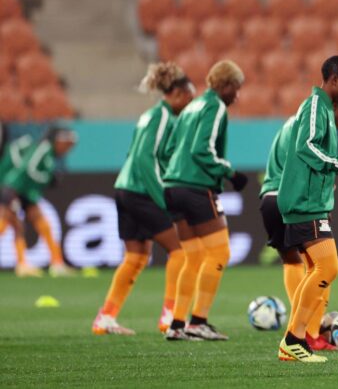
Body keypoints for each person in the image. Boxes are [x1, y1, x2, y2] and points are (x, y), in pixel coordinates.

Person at [276, 56, 338, 363]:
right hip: (304, 203)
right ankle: (293, 338)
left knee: (317, 269)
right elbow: (306, 146)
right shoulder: (315, 107)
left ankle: (296, 338)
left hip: (310, 201)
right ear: (334, 80)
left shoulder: (322, 110)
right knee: (327, 268)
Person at [92, 63, 195, 336]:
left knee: (136, 256)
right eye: (188, 97)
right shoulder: (161, 117)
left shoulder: (150, 116)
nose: (190, 102)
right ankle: (171, 314)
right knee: (180, 250)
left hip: (125, 189)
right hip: (142, 191)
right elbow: (144, 158)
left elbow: (136, 154)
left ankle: (106, 317)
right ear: (175, 94)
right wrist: (164, 198)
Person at [259, 96, 338, 353]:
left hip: (270, 196)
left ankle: (300, 331)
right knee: (323, 266)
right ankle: (305, 333)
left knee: (295, 263)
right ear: (334, 106)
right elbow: (309, 164)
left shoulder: (290, 124)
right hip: (296, 199)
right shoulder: (311, 127)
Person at [162, 60, 248, 341]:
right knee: (220, 253)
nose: (237, 95)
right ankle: (198, 321)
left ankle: (177, 324)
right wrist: (229, 172)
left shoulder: (192, 107)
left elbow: (170, 148)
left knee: (194, 256)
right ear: (225, 85)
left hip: (173, 187)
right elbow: (202, 149)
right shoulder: (215, 107)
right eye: (236, 88)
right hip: (195, 188)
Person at [0, 126, 77, 277]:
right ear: (58, 140)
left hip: (25, 192)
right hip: (14, 189)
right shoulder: (43, 149)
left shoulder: (49, 153)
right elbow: (29, 169)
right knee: (11, 225)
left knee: (42, 223)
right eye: (66, 143)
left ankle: (57, 263)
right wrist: (48, 178)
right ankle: (23, 265)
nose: (67, 149)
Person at [0, 132, 39, 276]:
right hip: (8, 192)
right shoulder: (14, 159)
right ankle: (22, 264)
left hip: (7, 192)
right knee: (7, 225)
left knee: (16, 226)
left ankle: (22, 264)